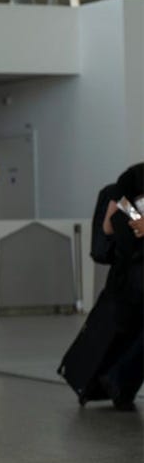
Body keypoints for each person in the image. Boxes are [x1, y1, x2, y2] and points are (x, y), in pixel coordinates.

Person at [98, 162, 143, 409]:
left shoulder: (130, 185)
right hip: (134, 276)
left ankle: (119, 382)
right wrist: (138, 219)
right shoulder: (133, 185)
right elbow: (114, 223)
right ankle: (118, 379)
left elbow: (109, 223)